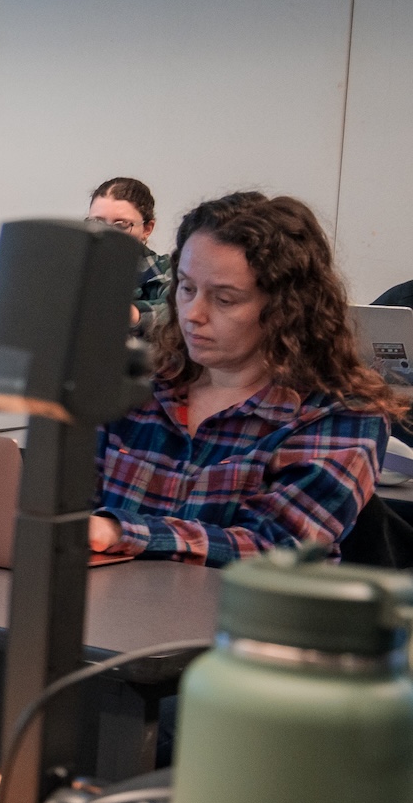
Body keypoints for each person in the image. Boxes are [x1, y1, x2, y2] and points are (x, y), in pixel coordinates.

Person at [91, 192, 395, 565]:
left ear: (285, 309)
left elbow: (276, 547)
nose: (192, 314)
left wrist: (122, 533)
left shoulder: (340, 412)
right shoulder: (141, 386)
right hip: (111, 610)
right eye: (186, 288)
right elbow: (69, 504)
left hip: (239, 620)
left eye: (225, 299)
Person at [88, 175, 172, 342]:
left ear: (147, 229)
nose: (107, 233)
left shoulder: (164, 269)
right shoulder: (74, 267)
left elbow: (177, 316)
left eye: (121, 225)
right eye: (97, 222)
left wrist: (126, 313)